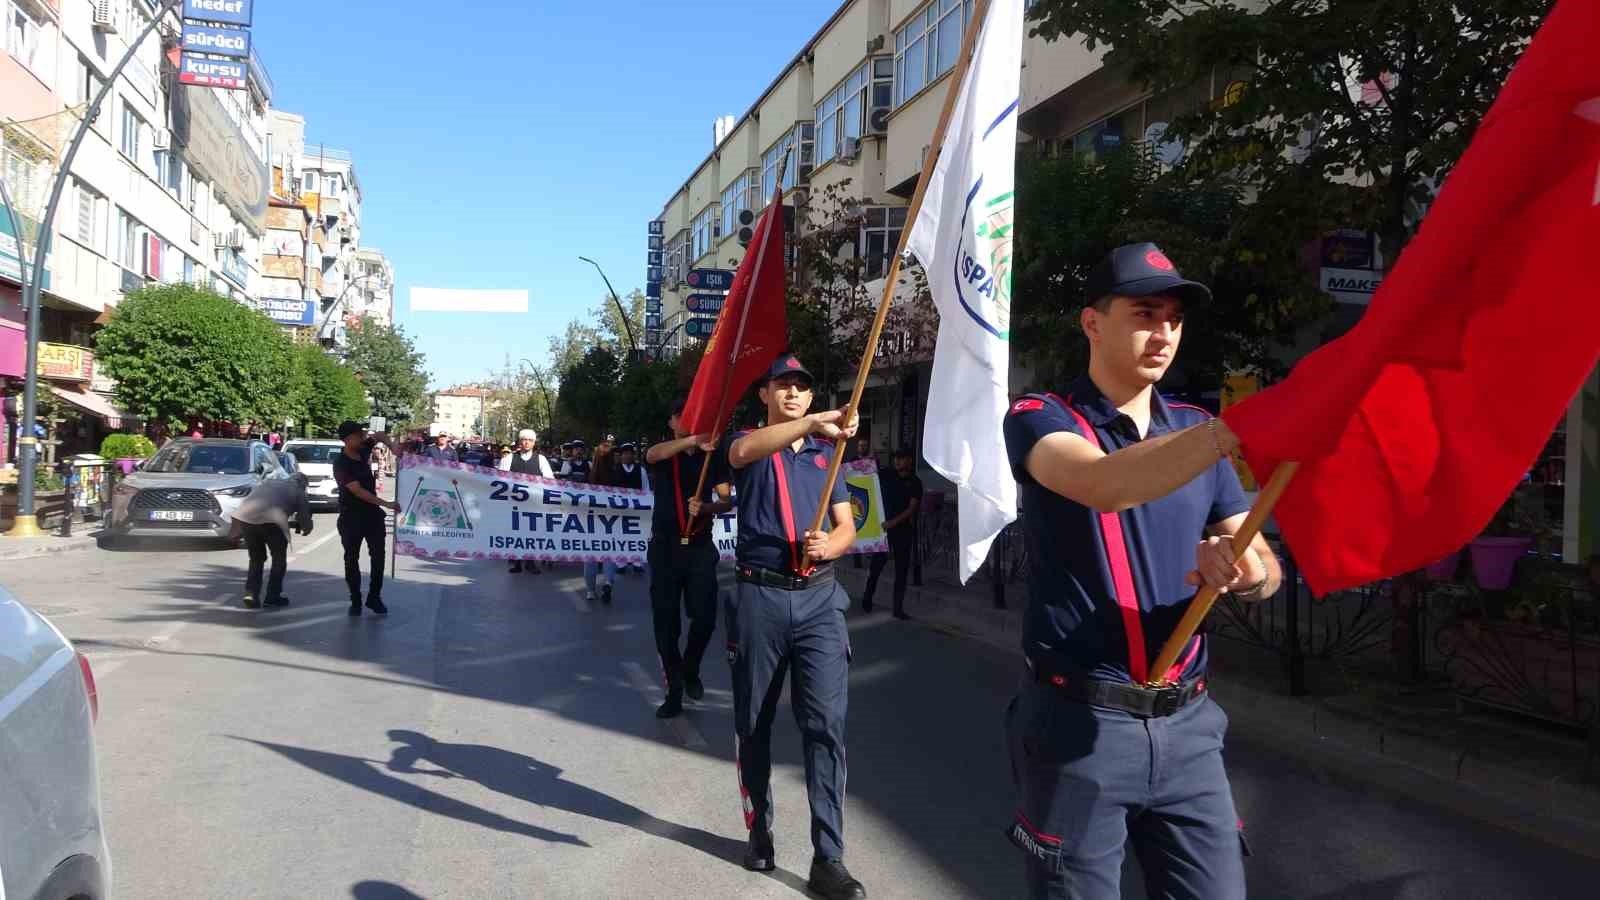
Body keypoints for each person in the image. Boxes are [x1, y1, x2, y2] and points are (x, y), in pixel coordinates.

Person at [1001, 242, 1283, 900]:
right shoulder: (1040, 417)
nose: (1164, 334)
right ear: (1093, 323)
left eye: (1175, 320)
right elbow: (1101, 483)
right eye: (1145, 313)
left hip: (1188, 727)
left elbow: (1262, 560)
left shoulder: (1195, 427)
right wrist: (1228, 434)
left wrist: (1243, 571)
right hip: (1080, 726)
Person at [725, 353, 865, 900]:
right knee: (754, 722)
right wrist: (807, 425)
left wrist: (830, 544)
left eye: (802, 390)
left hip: (819, 601)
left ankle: (829, 858)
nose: (792, 394)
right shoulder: (752, 445)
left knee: (825, 728)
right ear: (765, 395)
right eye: (782, 386)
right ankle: (758, 827)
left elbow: (847, 524)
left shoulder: (828, 460)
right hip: (760, 596)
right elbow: (741, 451)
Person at [644, 400, 732, 718]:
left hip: (698, 547)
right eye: (681, 414)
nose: (688, 419)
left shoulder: (712, 457)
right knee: (666, 624)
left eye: (694, 413)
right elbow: (652, 455)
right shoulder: (668, 454)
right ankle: (674, 691)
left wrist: (707, 508)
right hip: (665, 549)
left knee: (706, 617)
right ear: (671, 421)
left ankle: (690, 667)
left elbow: (725, 500)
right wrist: (693, 440)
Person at [334, 420, 402, 617]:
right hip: (351, 517)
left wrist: (392, 446)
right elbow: (357, 491)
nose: (363, 437)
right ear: (347, 439)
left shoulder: (363, 449)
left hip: (372, 517)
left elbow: (380, 435)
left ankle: (374, 597)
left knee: (379, 557)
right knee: (351, 559)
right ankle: (355, 600)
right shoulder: (341, 463)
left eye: (362, 434)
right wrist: (387, 503)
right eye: (358, 435)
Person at [231, 468, 313, 609]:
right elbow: (305, 518)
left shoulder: (269, 482)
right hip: (272, 522)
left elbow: (248, 501)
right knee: (278, 560)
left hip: (246, 519)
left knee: (256, 559)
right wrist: (306, 528)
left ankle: (251, 593)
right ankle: (272, 596)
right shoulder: (299, 491)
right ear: (303, 484)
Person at [861, 447, 923, 618]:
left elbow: (911, 509)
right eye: (896, 458)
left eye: (901, 458)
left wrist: (892, 523)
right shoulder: (887, 474)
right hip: (884, 530)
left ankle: (898, 608)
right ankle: (867, 599)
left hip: (902, 530)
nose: (897, 461)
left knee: (901, 571)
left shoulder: (915, 482)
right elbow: (868, 478)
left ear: (909, 461)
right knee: (876, 567)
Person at [499, 428, 554, 575]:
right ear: (520, 441)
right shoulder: (508, 459)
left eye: (530, 440)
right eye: (524, 439)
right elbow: (500, 480)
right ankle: (516, 562)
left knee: (531, 533)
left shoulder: (541, 459)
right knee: (515, 532)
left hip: (533, 504)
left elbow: (549, 480)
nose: (527, 442)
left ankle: (530, 562)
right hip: (514, 503)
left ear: (534, 443)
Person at [613, 442, 647, 576]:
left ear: (633, 455)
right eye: (624, 453)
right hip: (619, 508)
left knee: (636, 535)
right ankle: (620, 563)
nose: (627, 456)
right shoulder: (615, 469)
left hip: (636, 507)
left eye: (630, 453)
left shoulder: (640, 470)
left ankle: (637, 562)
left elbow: (645, 488)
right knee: (620, 534)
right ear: (621, 456)